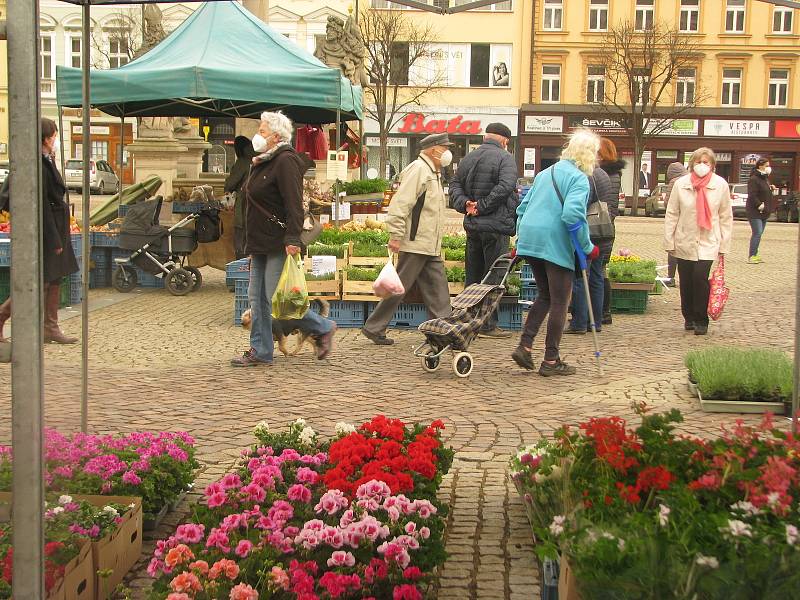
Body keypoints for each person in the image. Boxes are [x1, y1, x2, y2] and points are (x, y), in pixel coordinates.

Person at [231, 111, 336, 366]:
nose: (258, 134)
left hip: (278, 242)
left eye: (263, 130)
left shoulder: (285, 161)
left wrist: (292, 239)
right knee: (256, 298)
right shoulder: (262, 161)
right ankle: (261, 351)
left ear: (276, 136)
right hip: (260, 242)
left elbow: (293, 204)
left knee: (277, 299)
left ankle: (321, 326)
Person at [512, 129, 599, 376]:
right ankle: (551, 360)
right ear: (589, 155)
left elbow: (523, 207)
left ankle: (525, 346)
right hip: (554, 242)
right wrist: (586, 247)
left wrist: (522, 236)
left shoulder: (545, 173)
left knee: (545, 296)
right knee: (561, 300)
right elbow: (572, 215)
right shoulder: (579, 179)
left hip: (531, 238)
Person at [361, 133, 453, 345]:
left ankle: (443, 329)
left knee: (437, 287)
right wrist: (395, 234)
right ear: (433, 150)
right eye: (444, 147)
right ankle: (374, 327)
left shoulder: (432, 172)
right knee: (399, 286)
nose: (447, 152)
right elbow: (400, 205)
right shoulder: (419, 170)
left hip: (427, 243)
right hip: (416, 242)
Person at [0, 118, 80, 344]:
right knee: (39, 280)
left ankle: (50, 327)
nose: (55, 140)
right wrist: (54, 238)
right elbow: (42, 203)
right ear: (45, 139)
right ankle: (2, 315)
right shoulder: (36, 163)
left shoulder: (46, 159)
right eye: (54, 136)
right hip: (46, 229)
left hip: (55, 225)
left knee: (54, 278)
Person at [449, 122, 519, 338]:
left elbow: (454, 186)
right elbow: (506, 186)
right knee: (495, 275)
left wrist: (466, 205)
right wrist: (482, 206)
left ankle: (469, 320)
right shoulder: (505, 158)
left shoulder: (468, 157)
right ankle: (488, 324)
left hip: (473, 226)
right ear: (505, 141)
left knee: (474, 275)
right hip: (495, 226)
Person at [664, 147, 733, 336]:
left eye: (706, 162)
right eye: (698, 162)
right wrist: (669, 241)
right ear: (692, 163)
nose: (702, 165)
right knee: (686, 281)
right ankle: (688, 316)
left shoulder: (720, 185)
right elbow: (672, 213)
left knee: (700, 277)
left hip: (708, 240)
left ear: (712, 165)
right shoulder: (681, 184)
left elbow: (725, 216)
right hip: (684, 239)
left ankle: (701, 319)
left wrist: (724, 243)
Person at [565, 165, 615, 334]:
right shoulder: (603, 173)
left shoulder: (585, 174)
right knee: (597, 277)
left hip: (588, 232)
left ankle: (579, 322)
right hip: (603, 231)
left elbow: (581, 205)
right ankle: (596, 321)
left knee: (580, 276)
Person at [597, 138, 624, 323]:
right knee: (601, 269)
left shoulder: (607, 175)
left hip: (600, 228)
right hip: (605, 227)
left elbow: (609, 206)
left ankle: (604, 311)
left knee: (599, 270)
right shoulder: (612, 173)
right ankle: (604, 311)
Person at [224, 136, 255, 260]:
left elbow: (230, 184)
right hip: (258, 208)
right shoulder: (259, 160)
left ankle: (241, 267)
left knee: (240, 240)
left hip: (243, 207)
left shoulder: (243, 162)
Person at [662, 162, 689, 286]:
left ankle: (671, 277)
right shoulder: (689, 179)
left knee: (673, 249)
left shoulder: (674, 182)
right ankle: (686, 278)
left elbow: (668, 203)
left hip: (677, 221)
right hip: (690, 221)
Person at [746, 157, 774, 264]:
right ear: (760, 166)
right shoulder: (754, 179)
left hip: (764, 211)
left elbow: (763, 191)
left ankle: (755, 254)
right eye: (767, 166)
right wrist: (759, 205)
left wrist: (770, 188)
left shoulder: (765, 178)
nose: (768, 168)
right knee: (757, 232)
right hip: (755, 211)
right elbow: (752, 194)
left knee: (760, 233)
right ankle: (752, 255)